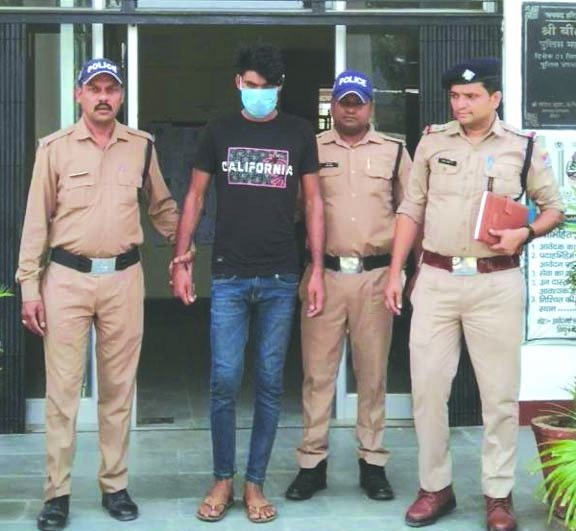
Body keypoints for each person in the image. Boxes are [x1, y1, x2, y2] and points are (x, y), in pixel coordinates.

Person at [384, 57, 564, 531]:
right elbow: (411, 209)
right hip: (437, 280)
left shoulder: (522, 147)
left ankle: (498, 496)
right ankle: (435, 488)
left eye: (470, 96)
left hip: (496, 284)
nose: (460, 104)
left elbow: (553, 209)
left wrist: (525, 233)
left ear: (494, 98)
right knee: (427, 392)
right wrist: (396, 272)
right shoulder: (431, 142)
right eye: (455, 96)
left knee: (499, 397)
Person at [16, 58, 179, 531]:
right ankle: (57, 493)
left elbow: (161, 207)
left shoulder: (141, 147)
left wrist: (184, 248)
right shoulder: (54, 149)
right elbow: (35, 221)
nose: (103, 97)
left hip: (123, 279)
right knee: (62, 393)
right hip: (66, 279)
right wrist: (29, 287)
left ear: (121, 96)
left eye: (111, 89)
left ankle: (115, 485)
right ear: (79, 95)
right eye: (95, 88)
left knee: (118, 389)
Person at [170, 43, 325, 524]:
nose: (259, 94)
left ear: (280, 88)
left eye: (268, 87)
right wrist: (180, 258)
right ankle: (222, 478)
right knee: (224, 380)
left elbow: (314, 201)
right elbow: (195, 197)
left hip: (281, 274)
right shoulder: (218, 131)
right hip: (229, 274)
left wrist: (317, 268)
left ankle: (254, 482)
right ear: (239, 83)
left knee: (270, 383)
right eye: (252, 85)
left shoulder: (299, 132)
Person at [284, 70, 412, 502]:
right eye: (344, 101)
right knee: (316, 374)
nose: (351, 109)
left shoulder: (395, 151)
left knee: (372, 374)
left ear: (371, 105)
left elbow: (411, 214)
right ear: (333, 105)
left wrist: (406, 273)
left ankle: (372, 463)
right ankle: (311, 464)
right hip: (324, 276)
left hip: (376, 277)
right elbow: (294, 210)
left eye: (359, 102)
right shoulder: (311, 149)